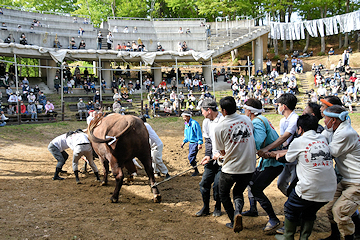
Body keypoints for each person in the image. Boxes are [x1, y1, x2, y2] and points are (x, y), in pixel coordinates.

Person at [271, 114, 337, 240]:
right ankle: (304, 238)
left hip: (309, 187)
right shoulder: (323, 139)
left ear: (300, 129)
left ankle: (288, 236)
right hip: (329, 189)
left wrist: (276, 154)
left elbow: (288, 158)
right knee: (310, 211)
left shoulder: (298, 141)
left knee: (290, 208)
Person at [213, 96, 257, 232]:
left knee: (223, 193)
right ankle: (238, 210)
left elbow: (222, 151)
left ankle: (233, 219)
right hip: (249, 167)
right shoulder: (246, 120)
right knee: (238, 192)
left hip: (231, 168)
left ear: (223, 111)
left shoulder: (220, 126)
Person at [241, 98, 284, 232]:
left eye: (245, 109)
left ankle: (273, 219)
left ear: (250, 111)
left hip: (273, 162)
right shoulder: (262, 119)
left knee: (256, 188)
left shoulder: (257, 122)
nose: (244, 111)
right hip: (269, 161)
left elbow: (257, 142)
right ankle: (253, 209)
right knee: (251, 181)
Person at [321, 106, 360, 240]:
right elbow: (323, 138)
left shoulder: (345, 133)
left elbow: (330, 153)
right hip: (346, 178)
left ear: (333, 120)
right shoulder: (336, 129)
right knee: (330, 208)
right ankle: (335, 236)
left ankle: (350, 237)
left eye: (325, 118)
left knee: (340, 211)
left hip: (356, 181)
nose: (323, 120)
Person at [258, 93, 298, 196]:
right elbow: (282, 141)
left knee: (295, 185)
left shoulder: (295, 119)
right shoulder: (282, 121)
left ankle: (295, 205)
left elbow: (284, 138)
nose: (278, 107)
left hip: (295, 157)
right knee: (281, 184)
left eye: (279, 104)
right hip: (284, 156)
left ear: (284, 106)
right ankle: (292, 200)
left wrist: (267, 149)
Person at [196, 99, 223, 218]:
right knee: (204, 183)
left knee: (217, 185)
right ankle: (205, 207)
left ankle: (218, 206)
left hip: (223, 159)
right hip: (212, 158)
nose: (201, 113)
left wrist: (222, 154)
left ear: (209, 110)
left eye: (202, 110)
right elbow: (208, 140)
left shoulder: (223, 121)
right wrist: (207, 155)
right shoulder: (206, 122)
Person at [180, 111, 203, 176]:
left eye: (184, 117)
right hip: (190, 144)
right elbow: (186, 135)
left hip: (195, 143)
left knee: (190, 157)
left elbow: (199, 133)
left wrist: (199, 143)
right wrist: (183, 142)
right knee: (191, 157)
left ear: (188, 116)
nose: (183, 118)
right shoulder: (186, 124)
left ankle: (196, 170)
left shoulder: (194, 123)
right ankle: (195, 169)